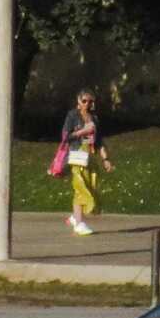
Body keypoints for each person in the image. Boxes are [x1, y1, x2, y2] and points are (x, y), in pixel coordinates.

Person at [62, 90, 102, 235]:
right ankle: (79, 223)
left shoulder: (94, 118)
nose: (88, 104)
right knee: (80, 186)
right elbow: (66, 136)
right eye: (84, 101)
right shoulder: (73, 115)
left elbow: (99, 140)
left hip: (90, 156)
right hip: (77, 154)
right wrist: (83, 131)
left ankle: (75, 216)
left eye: (90, 101)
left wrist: (106, 158)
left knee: (90, 186)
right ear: (78, 101)